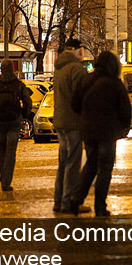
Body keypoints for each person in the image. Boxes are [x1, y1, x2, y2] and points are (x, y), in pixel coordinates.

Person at [70, 51, 131, 217]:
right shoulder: (114, 83)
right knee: (104, 169)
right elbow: (125, 109)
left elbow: (75, 104)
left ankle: (76, 199)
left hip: (88, 132)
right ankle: (100, 206)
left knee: (90, 165)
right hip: (107, 133)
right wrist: (124, 127)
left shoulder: (85, 80)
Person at [52, 38, 90, 213]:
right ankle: (67, 202)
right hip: (73, 121)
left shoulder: (59, 67)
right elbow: (81, 96)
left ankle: (58, 201)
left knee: (63, 162)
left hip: (60, 120)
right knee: (72, 164)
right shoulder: (76, 68)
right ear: (77, 50)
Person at [0, 58, 33, 191]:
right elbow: (28, 101)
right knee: (11, 150)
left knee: (3, 148)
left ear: (1, 69)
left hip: (0, 120)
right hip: (14, 120)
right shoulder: (18, 84)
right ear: (12, 69)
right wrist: (23, 114)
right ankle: (6, 181)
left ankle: (3, 176)